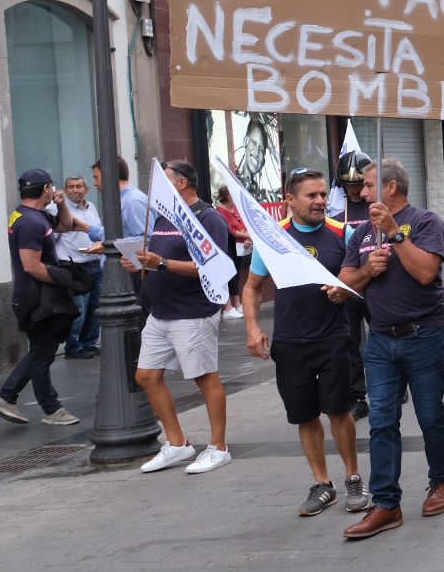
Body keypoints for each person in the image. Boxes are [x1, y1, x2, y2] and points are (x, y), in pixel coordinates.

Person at [337, 159, 444, 539]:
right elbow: (343, 284)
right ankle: (387, 504)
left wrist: (395, 234)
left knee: (430, 414)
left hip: (423, 335)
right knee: (381, 421)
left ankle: (442, 482)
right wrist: (368, 270)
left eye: (370, 185)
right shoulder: (362, 234)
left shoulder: (425, 222)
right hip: (380, 340)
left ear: (391, 188)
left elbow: (425, 273)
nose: (363, 192)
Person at [242, 168, 370, 517]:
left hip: (333, 337)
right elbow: (252, 286)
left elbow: (360, 277)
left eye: (322, 195)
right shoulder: (273, 236)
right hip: (289, 340)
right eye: (311, 196)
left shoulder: (342, 233)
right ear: (290, 200)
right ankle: (322, 483)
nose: (319, 202)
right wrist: (252, 327)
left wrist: (344, 290)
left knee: (339, 411)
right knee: (305, 415)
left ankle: (353, 478)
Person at [127, 162, 235, 475]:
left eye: (166, 180)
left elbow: (213, 268)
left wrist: (161, 264)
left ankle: (218, 447)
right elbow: (157, 257)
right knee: (146, 375)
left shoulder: (207, 218)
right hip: (160, 311)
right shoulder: (164, 216)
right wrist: (140, 262)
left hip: (192, 311)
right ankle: (176, 443)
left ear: (183, 182)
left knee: (204, 377)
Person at [0, 169, 88, 426]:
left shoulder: (31, 215)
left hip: (35, 295)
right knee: (42, 352)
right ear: (45, 189)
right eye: (52, 187)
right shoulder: (31, 222)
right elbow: (31, 265)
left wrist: (62, 204)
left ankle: (29, 403)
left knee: (42, 351)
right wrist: (62, 279)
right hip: (36, 297)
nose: (54, 190)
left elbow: (65, 225)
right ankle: (34, 404)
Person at [335, 150, 372, 422]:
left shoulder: (379, 208)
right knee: (349, 342)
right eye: (349, 186)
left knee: (384, 334)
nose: (354, 190)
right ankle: (358, 396)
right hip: (349, 286)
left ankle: (396, 382)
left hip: (377, 284)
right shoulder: (336, 215)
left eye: (358, 184)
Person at [58, 174, 105, 359]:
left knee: (96, 308)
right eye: (70, 187)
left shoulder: (91, 207)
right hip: (75, 266)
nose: (75, 190)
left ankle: (89, 343)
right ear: (66, 189)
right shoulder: (60, 209)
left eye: (79, 186)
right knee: (79, 310)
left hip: (95, 263)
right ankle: (73, 347)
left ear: (86, 189)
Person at [215, 185, 252, 320]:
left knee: (236, 275)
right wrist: (246, 235)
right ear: (229, 196)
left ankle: (237, 304)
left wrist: (247, 236)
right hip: (228, 246)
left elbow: (243, 225)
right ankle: (227, 307)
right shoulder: (220, 211)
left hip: (240, 246)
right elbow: (230, 230)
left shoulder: (236, 209)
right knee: (228, 275)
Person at [93, 156, 149, 241]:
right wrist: (87, 229)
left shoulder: (133, 201)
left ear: (108, 175)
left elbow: (145, 241)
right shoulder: (122, 199)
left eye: (96, 178)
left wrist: (112, 245)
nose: (95, 183)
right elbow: (122, 233)